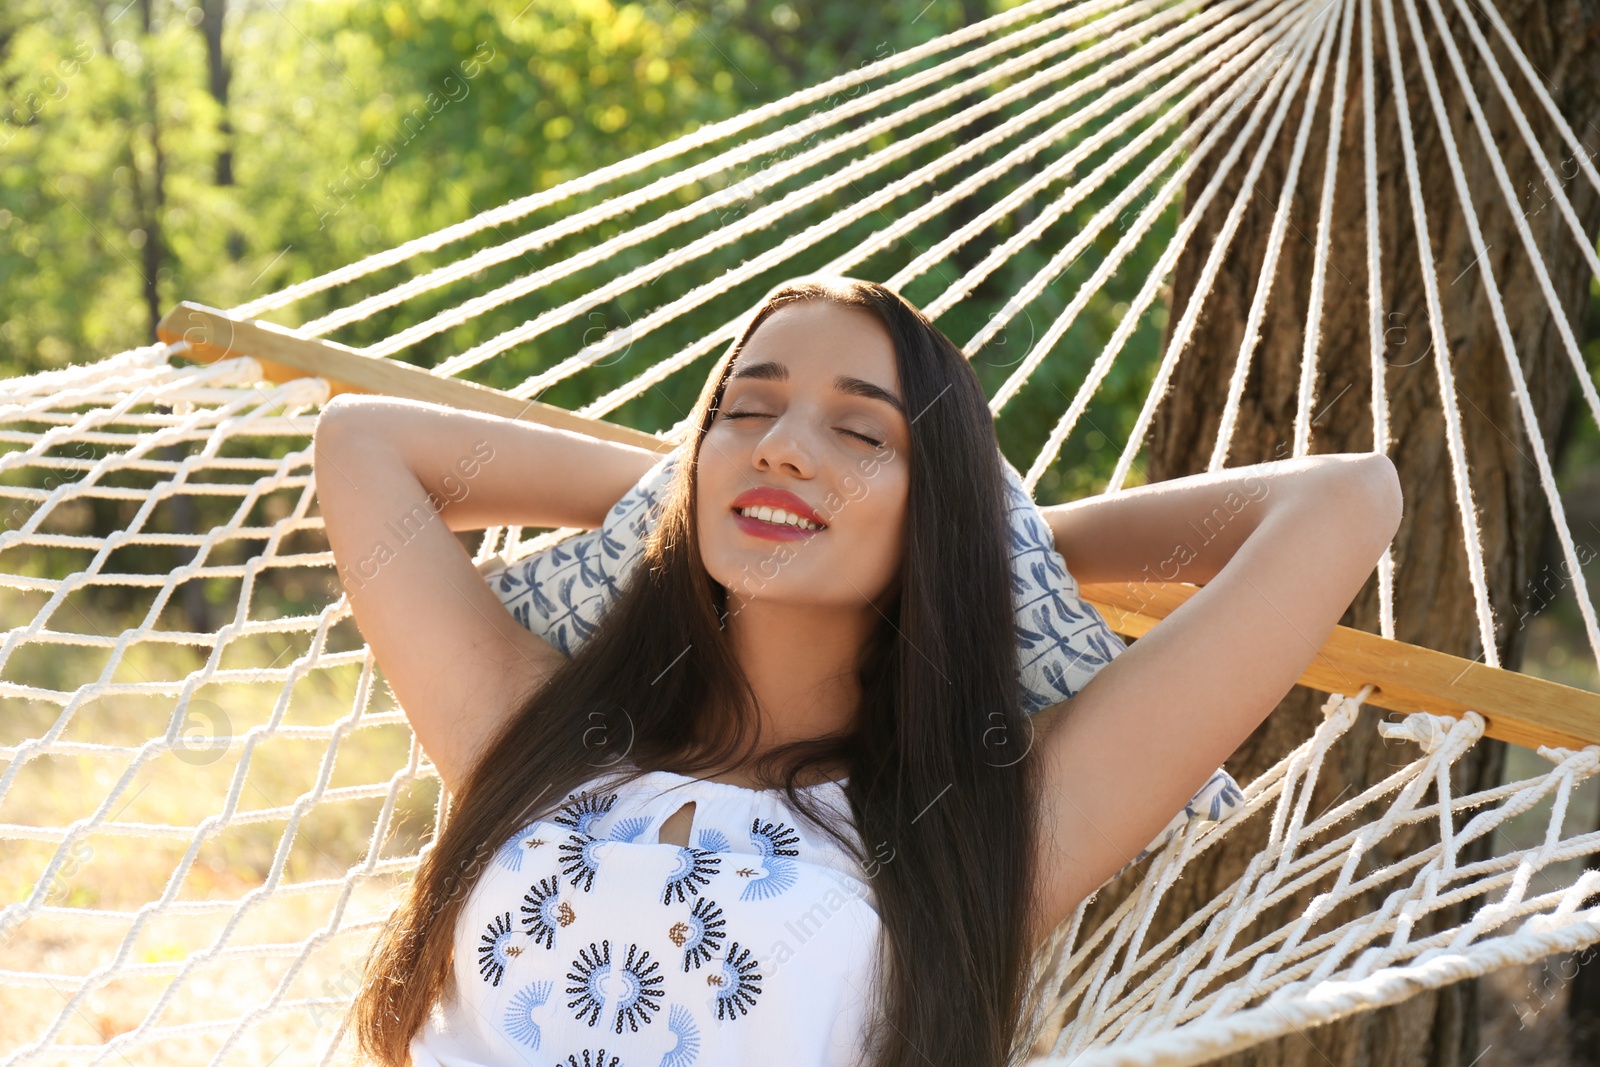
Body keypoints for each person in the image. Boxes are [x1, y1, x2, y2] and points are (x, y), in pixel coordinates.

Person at [312, 276, 1402, 1067]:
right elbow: (363, 443)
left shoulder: (981, 827)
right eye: (747, 407)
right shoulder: (534, 732)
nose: (783, 445)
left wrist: (983, 534)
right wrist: (690, 496)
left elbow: (1346, 500)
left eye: (858, 431)